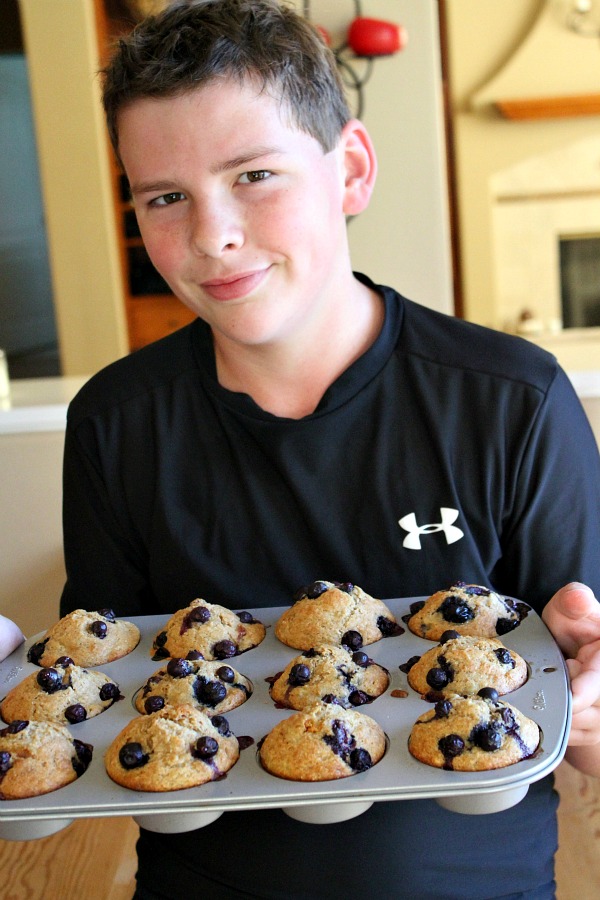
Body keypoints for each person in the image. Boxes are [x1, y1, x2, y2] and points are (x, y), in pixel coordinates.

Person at [2, 0, 600, 896]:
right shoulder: (116, 425)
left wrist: (589, 706)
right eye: (166, 197)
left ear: (350, 169)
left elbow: (588, 723)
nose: (212, 235)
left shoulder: (511, 403)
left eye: (254, 175)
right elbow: (100, 696)